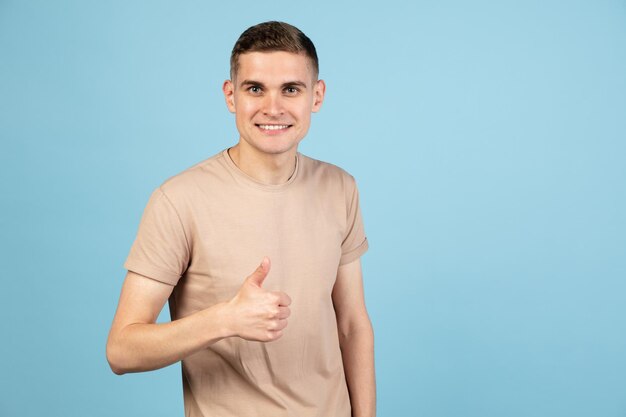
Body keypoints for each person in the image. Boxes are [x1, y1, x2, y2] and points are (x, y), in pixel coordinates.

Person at [106, 21, 375, 417]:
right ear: (231, 96)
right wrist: (224, 319)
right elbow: (121, 350)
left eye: (291, 89)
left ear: (316, 96)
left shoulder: (340, 187)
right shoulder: (178, 200)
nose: (273, 108)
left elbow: (352, 324)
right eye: (255, 89)